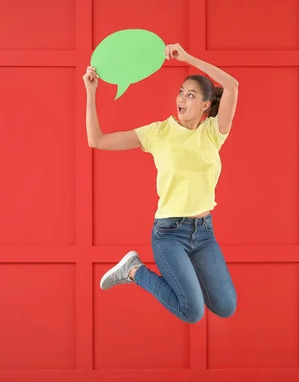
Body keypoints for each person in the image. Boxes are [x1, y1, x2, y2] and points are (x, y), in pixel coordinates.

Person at [82, 43, 239, 324]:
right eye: (181, 93)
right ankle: (134, 270)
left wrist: (188, 59)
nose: (182, 99)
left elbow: (232, 85)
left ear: (205, 105)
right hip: (170, 234)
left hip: (204, 233)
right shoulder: (158, 132)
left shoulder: (213, 132)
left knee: (226, 307)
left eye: (191, 95)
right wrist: (91, 94)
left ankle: (168, 277)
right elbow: (98, 140)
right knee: (192, 312)